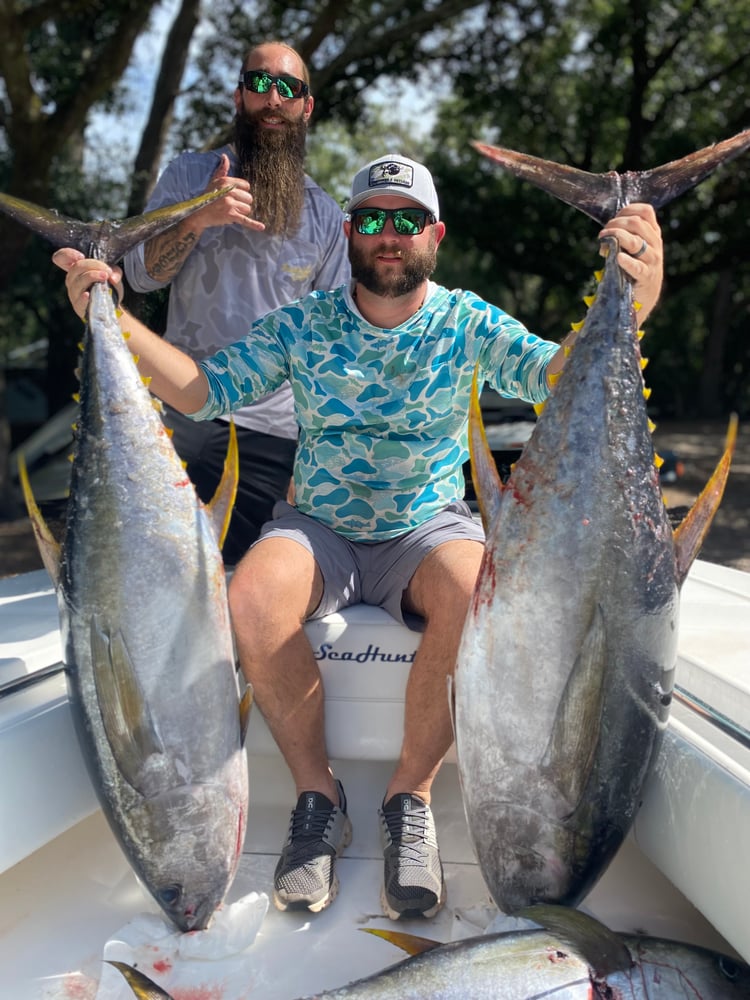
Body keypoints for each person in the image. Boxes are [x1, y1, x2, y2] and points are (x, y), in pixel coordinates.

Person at [55, 153, 664, 921]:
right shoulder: (303, 325)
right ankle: (319, 796)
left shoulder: (467, 320)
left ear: (434, 235)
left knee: (480, 593)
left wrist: (639, 301)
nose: (389, 235)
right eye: (372, 218)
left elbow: (557, 376)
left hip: (428, 526)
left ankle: (409, 797)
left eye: (406, 221)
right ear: (349, 231)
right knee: (250, 596)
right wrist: (109, 313)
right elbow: (204, 393)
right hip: (320, 527)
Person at [124, 40, 350, 564]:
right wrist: (199, 216)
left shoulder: (324, 216)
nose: (274, 99)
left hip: (269, 437)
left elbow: (333, 348)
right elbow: (141, 274)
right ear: (239, 96)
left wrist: (315, 462)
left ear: (306, 106)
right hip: (176, 415)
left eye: (288, 88)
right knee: (154, 573)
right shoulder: (188, 176)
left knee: (245, 588)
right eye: (260, 84)